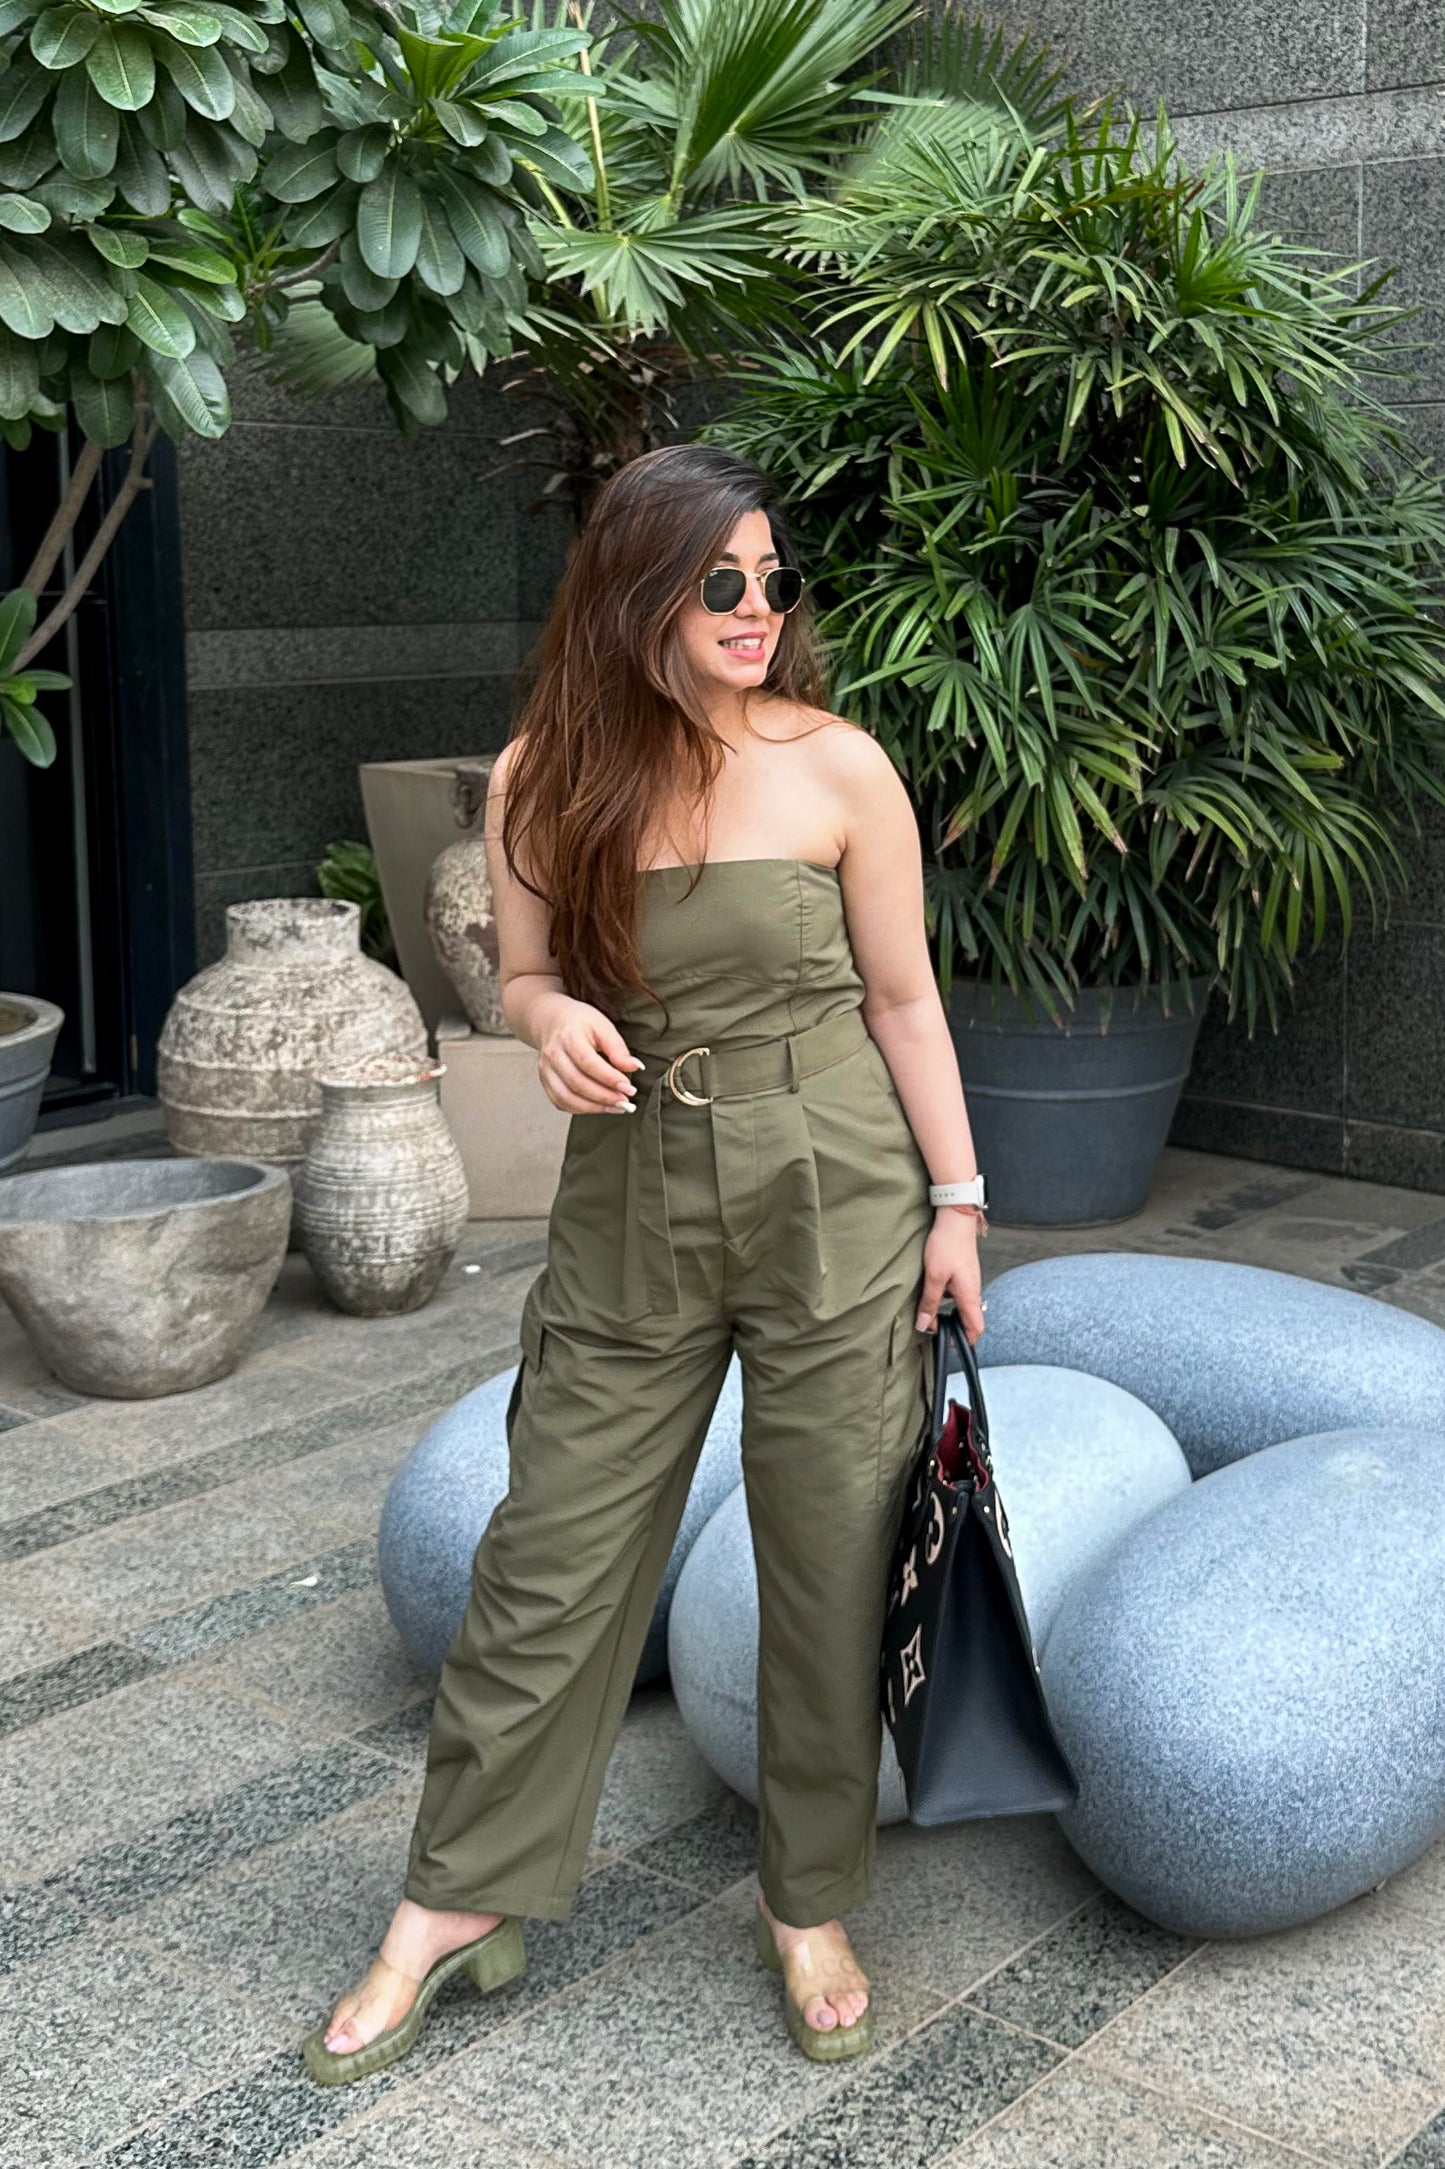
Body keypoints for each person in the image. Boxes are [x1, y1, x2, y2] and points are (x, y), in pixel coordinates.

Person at [304, 442, 987, 2085]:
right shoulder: (543, 776)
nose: (758, 607)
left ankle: (808, 1900)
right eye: (717, 580)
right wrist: (547, 1020)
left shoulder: (838, 767)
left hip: (834, 1189)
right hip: (630, 1197)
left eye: (772, 578)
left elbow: (903, 1000)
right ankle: (454, 1897)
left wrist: (958, 1205)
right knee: (549, 1552)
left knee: (829, 1555)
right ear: (635, 592)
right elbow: (521, 976)